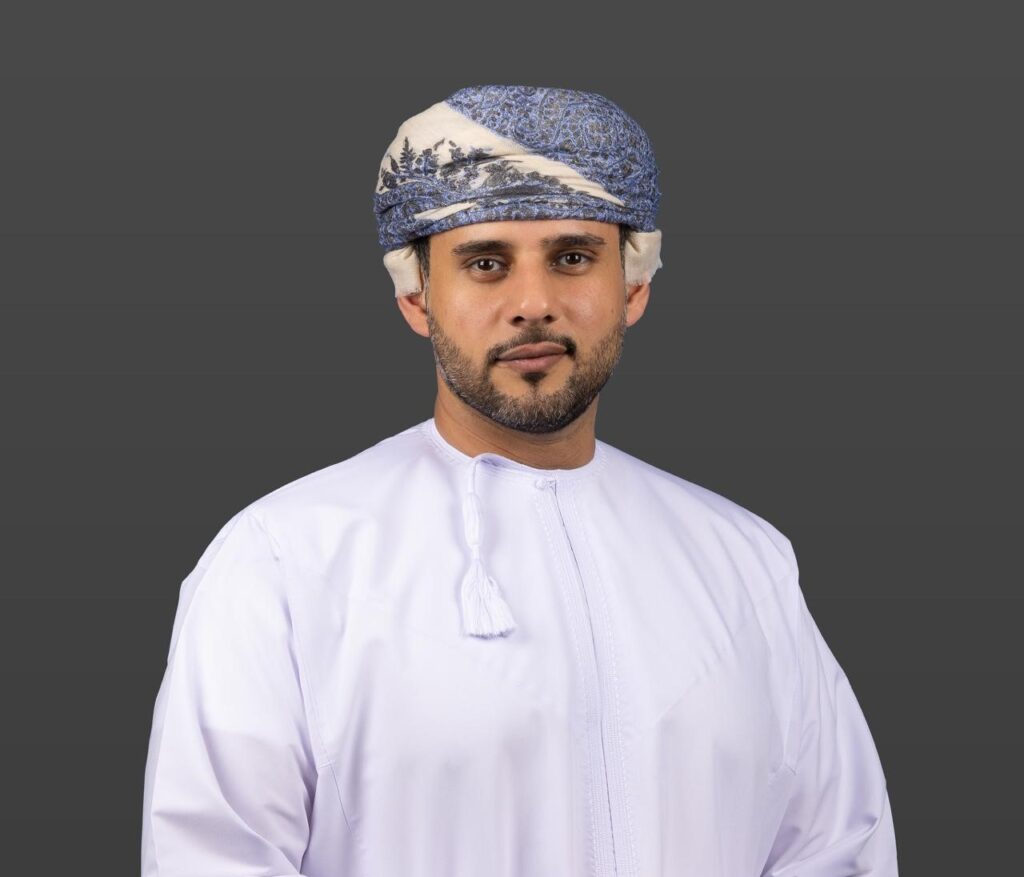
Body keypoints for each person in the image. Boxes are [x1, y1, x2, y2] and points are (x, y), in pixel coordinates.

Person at [140, 85, 899, 876]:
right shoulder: (286, 561)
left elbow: (837, 849)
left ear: (633, 285)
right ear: (417, 296)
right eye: (486, 263)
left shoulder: (744, 565)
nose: (533, 303)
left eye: (573, 257)